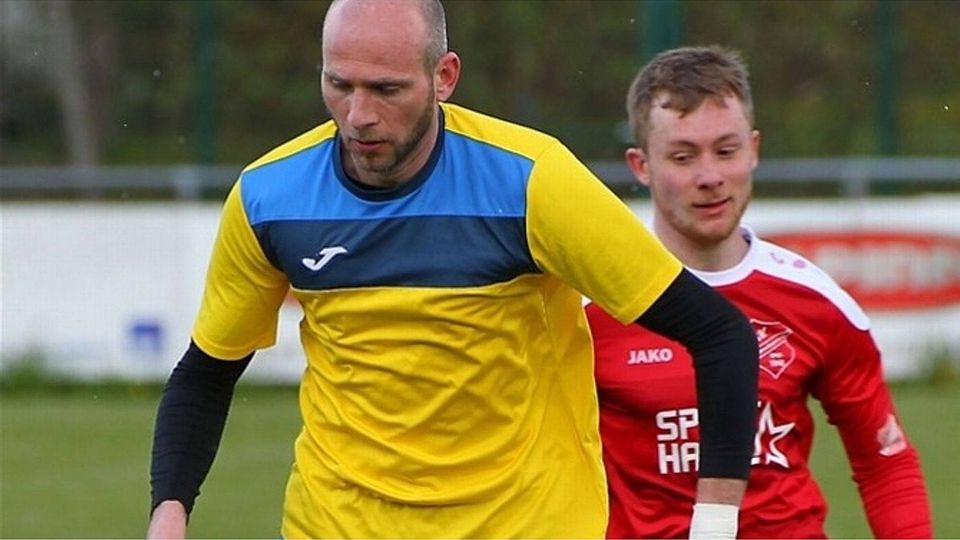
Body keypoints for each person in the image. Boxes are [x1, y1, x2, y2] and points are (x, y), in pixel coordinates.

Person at [147, 2, 760, 538]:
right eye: (339, 84)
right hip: (333, 523)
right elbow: (207, 373)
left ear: (444, 77)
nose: (358, 115)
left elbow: (720, 334)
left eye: (386, 89)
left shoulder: (533, 182)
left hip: (525, 525)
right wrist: (169, 510)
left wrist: (713, 524)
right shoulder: (268, 197)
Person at [585, 45, 933, 539]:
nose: (710, 177)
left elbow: (885, 462)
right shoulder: (591, 305)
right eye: (683, 157)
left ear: (754, 150)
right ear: (641, 165)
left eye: (726, 151)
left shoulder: (814, 300)